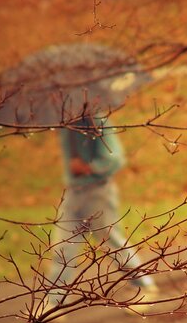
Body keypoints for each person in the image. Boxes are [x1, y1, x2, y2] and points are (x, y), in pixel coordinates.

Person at [46, 114, 158, 311]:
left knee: (111, 241)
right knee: (64, 248)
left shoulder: (94, 120)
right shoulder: (64, 123)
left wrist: (89, 167)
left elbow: (115, 158)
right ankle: (54, 303)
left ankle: (144, 287)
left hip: (98, 191)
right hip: (72, 193)